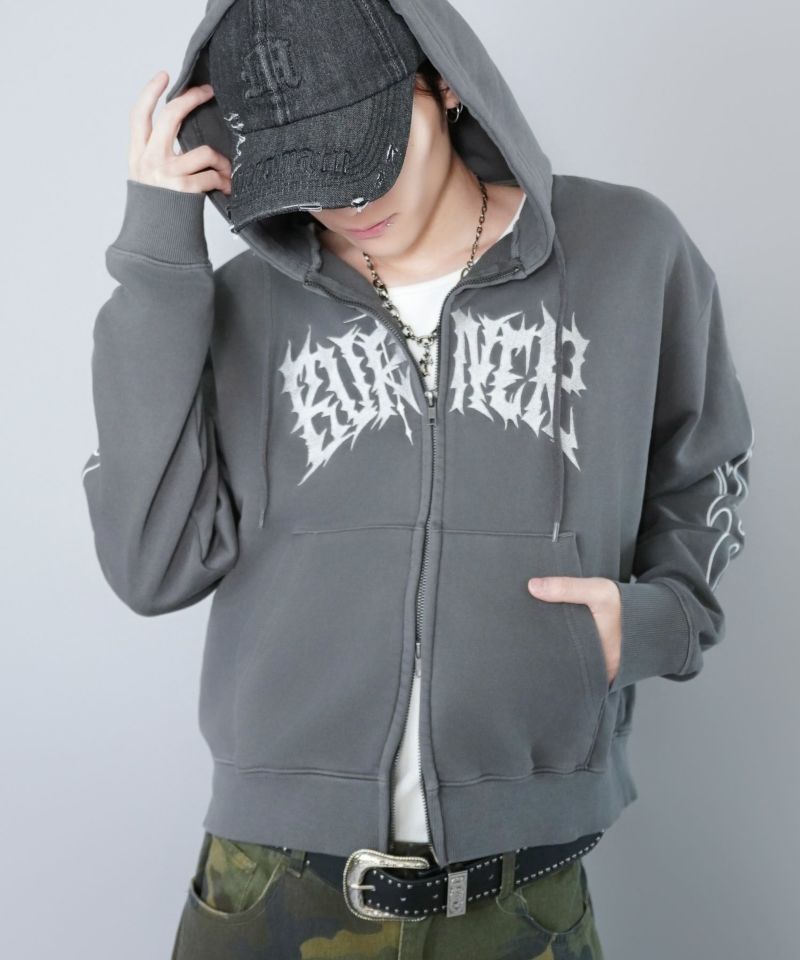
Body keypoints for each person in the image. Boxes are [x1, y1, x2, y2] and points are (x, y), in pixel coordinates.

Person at [80, 0, 755, 957]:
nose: (348, 207)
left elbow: (705, 465)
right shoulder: (242, 303)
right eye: (309, 176)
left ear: (443, 83)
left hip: (522, 895)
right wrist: (157, 257)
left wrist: (657, 620)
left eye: (367, 157)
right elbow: (151, 565)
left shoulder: (629, 252)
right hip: (269, 885)